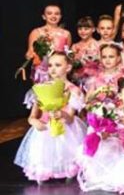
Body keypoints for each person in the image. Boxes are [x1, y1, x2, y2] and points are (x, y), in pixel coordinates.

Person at [15, 52, 86, 182]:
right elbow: (32, 116)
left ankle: (67, 174)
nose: (53, 69)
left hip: (65, 130)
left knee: (66, 160)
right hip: (45, 129)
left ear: (68, 67)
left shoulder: (73, 90)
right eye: (50, 65)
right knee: (43, 159)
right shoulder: (42, 88)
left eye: (58, 65)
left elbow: (70, 118)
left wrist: (62, 114)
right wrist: (34, 122)